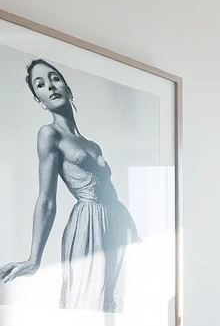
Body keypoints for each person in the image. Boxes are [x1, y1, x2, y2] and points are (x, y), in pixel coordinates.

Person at [0, 59, 139, 311]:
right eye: (40, 84)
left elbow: (109, 189)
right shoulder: (49, 134)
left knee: (118, 304)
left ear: (68, 88)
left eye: (55, 78)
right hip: (89, 224)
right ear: (40, 100)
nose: (50, 86)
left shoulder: (93, 145)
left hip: (117, 222)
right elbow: (47, 199)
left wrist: (132, 230)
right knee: (88, 302)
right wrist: (35, 258)